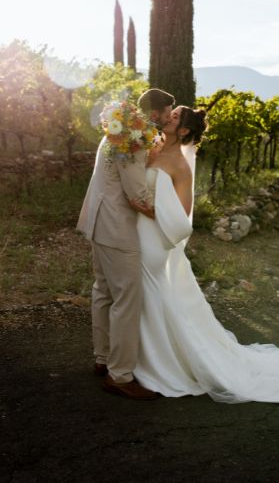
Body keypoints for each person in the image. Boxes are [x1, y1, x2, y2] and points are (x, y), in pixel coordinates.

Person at [129, 106, 279, 404]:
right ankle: (133, 358)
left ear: (183, 130)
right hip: (133, 231)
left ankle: (154, 364)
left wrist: (150, 209)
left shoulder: (181, 166)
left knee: (151, 296)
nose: (167, 117)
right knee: (139, 295)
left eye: (174, 117)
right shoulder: (151, 146)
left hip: (155, 238)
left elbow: (183, 218)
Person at [77, 88, 174, 400]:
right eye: (168, 113)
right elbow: (136, 195)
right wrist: (168, 217)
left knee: (103, 292)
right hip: (116, 228)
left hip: (97, 221)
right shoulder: (131, 139)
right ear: (156, 114)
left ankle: (103, 359)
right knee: (127, 299)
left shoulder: (114, 131)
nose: (170, 119)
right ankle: (120, 375)